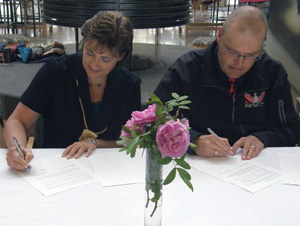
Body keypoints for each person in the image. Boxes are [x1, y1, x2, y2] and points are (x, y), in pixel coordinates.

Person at [154, 6, 300, 160]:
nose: (239, 63)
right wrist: (193, 140)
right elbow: (154, 120)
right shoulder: (187, 69)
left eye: (251, 55)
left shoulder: (272, 73)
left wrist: (264, 138)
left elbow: (293, 130)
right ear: (219, 35)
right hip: (200, 166)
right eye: (231, 51)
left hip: (255, 166)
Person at [4, 11, 141, 171]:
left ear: (121, 56)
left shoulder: (129, 85)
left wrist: (95, 143)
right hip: (55, 167)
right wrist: (17, 149)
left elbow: (132, 140)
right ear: (83, 42)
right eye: (89, 53)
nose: (94, 64)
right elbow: (17, 121)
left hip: (109, 169)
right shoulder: (56, 72)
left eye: (105, 59)